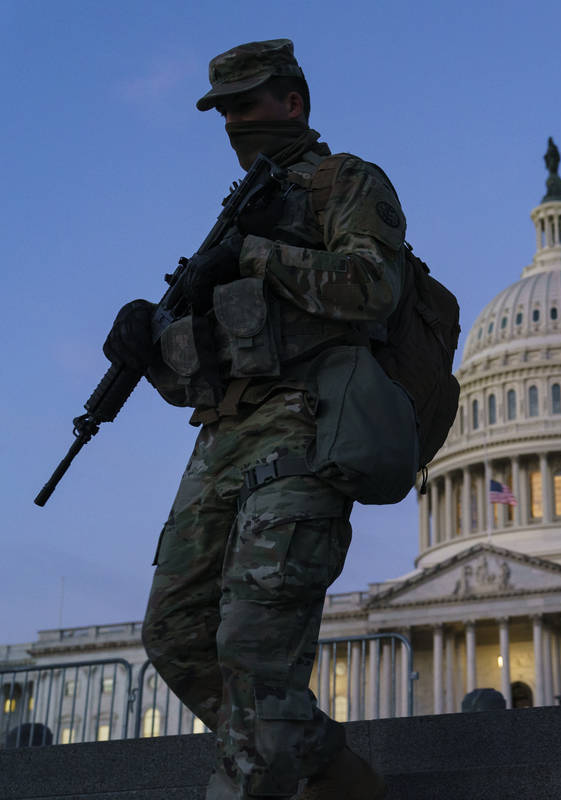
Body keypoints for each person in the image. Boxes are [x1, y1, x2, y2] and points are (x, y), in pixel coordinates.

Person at [102, 39, 408, 798]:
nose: (234, 123)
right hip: (222, 439)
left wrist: (260, 254)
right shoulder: (232, 220)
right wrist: (151, 338)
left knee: (253, 649)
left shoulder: (346, 182)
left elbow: (374, 289)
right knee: (174, 636)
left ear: (292, 102)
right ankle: (332, 767)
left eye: (246, 105)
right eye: (224, 111)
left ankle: (266, 767)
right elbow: (199, 374)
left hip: (307, 425)